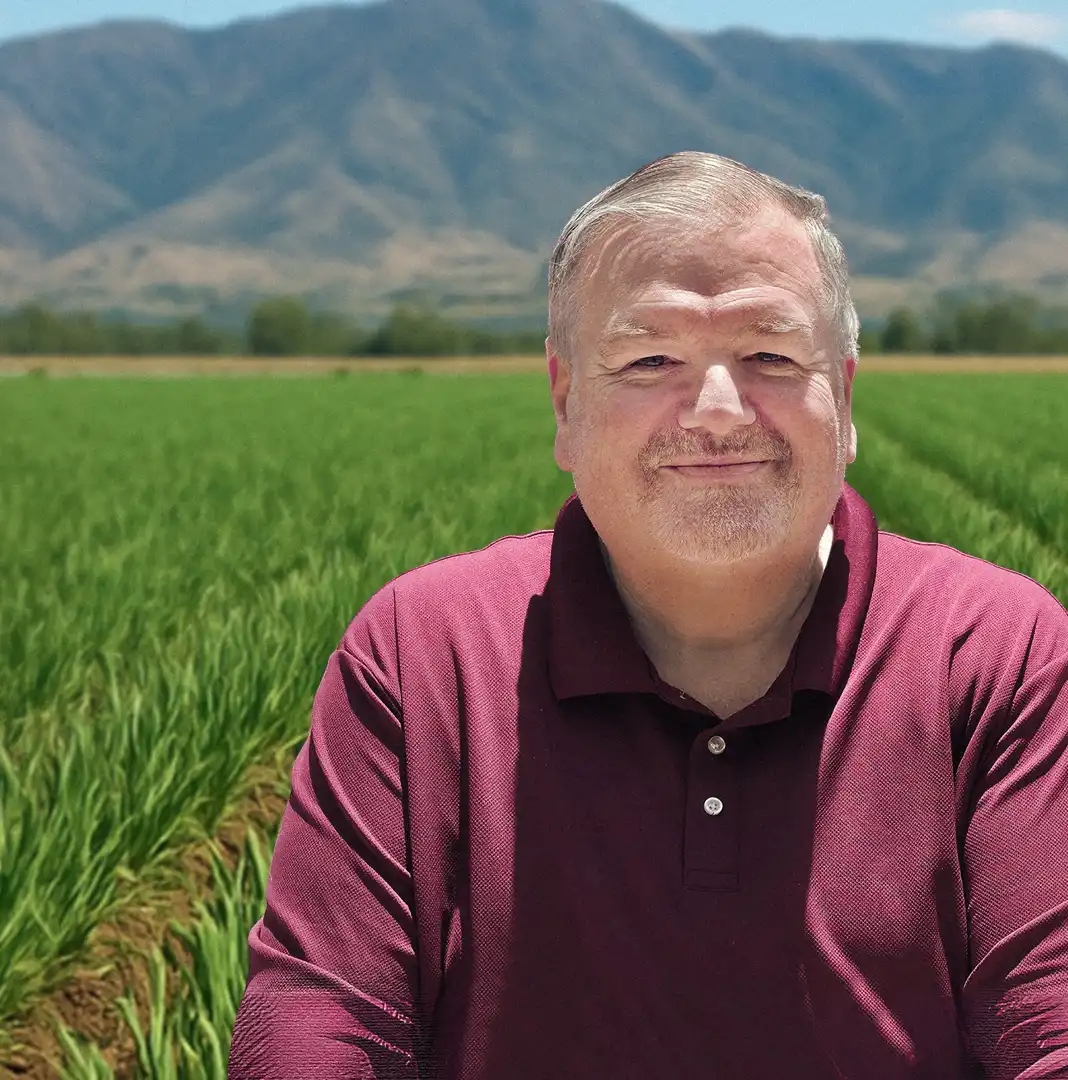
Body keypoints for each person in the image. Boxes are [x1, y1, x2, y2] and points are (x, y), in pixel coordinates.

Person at [228, 152, 1068, 1079]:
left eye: (770, 355)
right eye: (651, 358)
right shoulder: (423, 650)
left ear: (846, 394)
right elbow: (322, 1020)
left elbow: (1050, 1022)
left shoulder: (995, 650)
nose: (715, 411)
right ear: (565, 399)